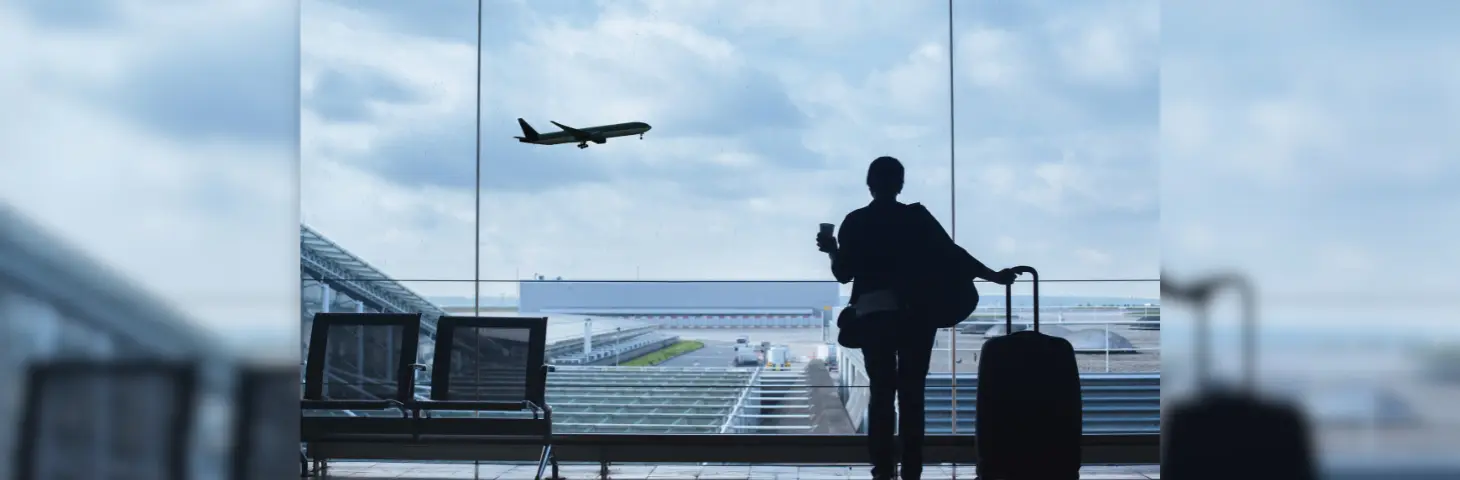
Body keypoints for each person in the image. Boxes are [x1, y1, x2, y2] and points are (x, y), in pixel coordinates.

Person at [817, 156, 1016, 480]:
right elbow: (954, 254)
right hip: (916, 317)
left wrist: (831, 248)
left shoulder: (855, 221)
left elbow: (843, 274)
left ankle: (882, 469)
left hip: (873, 316)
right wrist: (993, 275)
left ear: (870, 184)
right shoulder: (916, 218)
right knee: (912, 397)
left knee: (881, 395)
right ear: (900, 184)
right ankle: (912, 469)